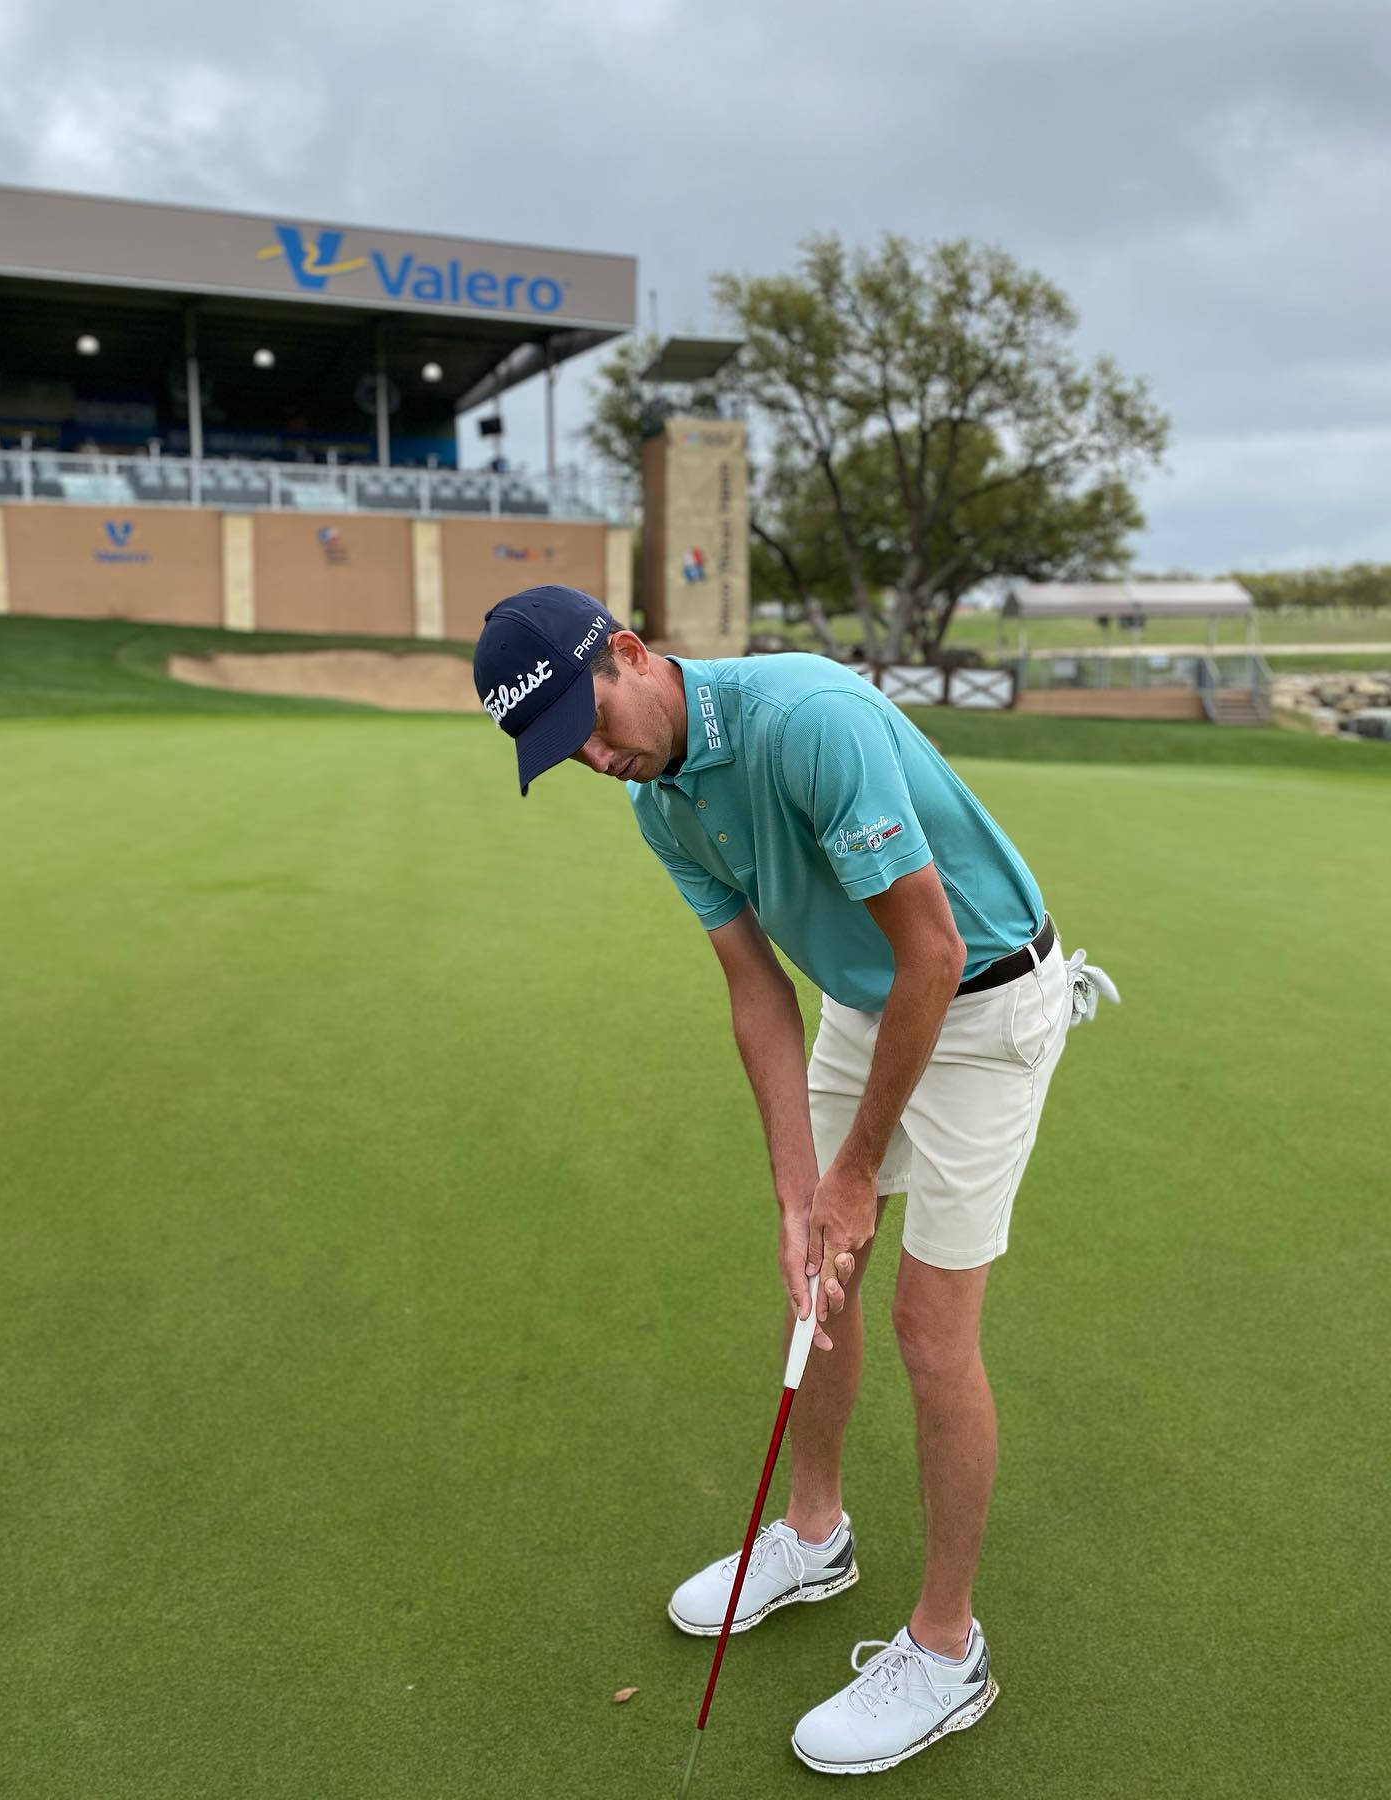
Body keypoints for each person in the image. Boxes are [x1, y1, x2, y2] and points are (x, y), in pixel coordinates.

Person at [473, 585, 1118, 1777]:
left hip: (983, 1000)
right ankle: (815, 1535)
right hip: (867, 1003)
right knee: (816, 1278)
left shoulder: (806, 715)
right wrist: (798, 1195)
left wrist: (858, 1170)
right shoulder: (661, 803)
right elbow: (760, 994)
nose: (599, 760)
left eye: (595, 725)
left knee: (932, 1328)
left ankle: (946, 1647)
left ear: (629, 652)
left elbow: (930, 950)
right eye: (568, 753)